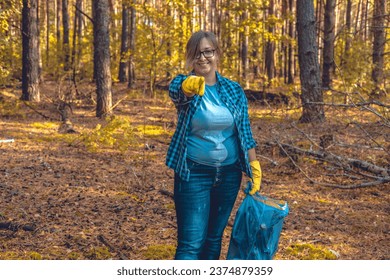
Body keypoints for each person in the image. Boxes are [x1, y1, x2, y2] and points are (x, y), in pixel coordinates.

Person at [166, 30, 262, 260]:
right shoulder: (187, 84)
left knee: (213, 240)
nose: (202, 58)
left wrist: (254, 166)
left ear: (217, 54)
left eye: (208, 51)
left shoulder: (233, 90)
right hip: (193, 173)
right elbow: (177, 91)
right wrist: (187, 86)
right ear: (190, 57)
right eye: (196, 53)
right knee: (191, 244)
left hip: (229, 175)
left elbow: (245, 131)